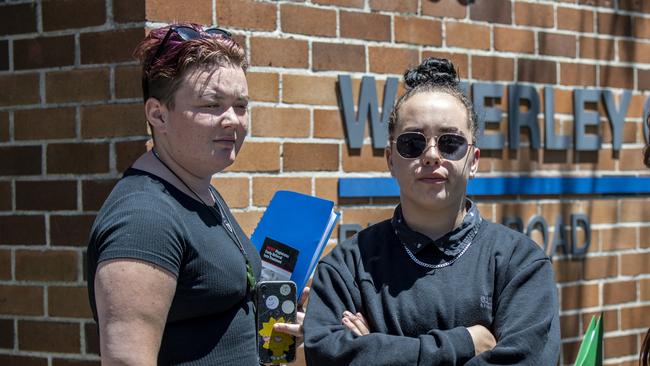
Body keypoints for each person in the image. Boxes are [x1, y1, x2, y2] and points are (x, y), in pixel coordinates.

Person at [303, 57, 561, 365]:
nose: (431, 155)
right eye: (413, 143)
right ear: (390, 159)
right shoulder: (346, 267)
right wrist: (463, 343)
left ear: (474, 160)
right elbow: (324, 355)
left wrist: (377, 350)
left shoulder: (520, 263)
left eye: (450, 143)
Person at [86, 23, 303, 365]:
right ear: (158, 114)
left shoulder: (199, 190)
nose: (232, 120)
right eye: (211, 105)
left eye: (241, 106)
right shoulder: (143, 219)